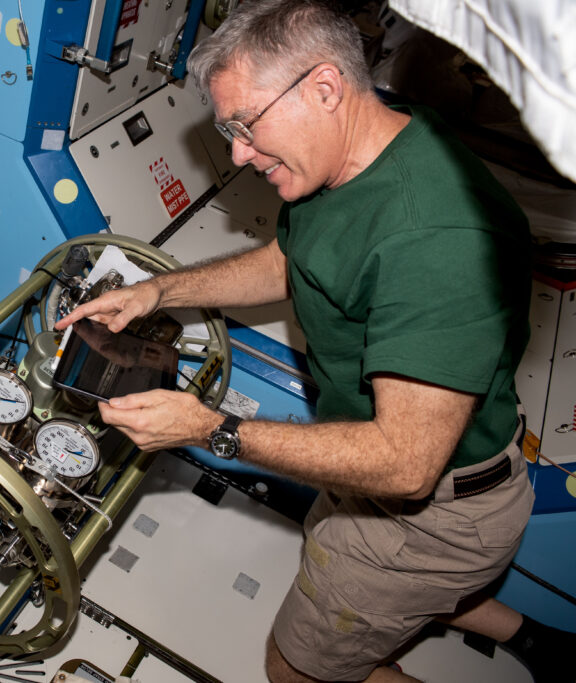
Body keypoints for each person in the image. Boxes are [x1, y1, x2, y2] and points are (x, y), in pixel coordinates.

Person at [56, 1, 574, 681]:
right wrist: (162, 290)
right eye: (227, 130)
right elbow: (292, 260)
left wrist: (213, 430)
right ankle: (543, 642)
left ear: (325, 88)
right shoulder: (367, 139)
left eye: (245, 126)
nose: (238, 153)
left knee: (295, 670)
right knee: (365, 563)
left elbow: (404, 463)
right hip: (415, 486)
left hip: (432, 509)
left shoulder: (434, 240)